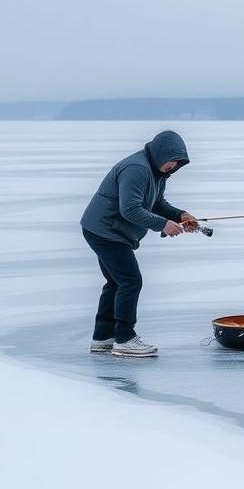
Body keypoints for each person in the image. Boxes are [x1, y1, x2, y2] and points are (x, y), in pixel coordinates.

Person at [80, 130, 197, 357]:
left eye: (176, 164)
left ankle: (103, 337)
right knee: (130, 281)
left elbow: (155, 203)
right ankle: (125, 339)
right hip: (105, 231)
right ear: (160, 154)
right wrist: (163, 225)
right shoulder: (137, 169)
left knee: (116, 282)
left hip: (106, 230)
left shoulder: (156, 172)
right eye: (170, 162)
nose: (172, 167)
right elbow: (130, 209)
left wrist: (181, 215)